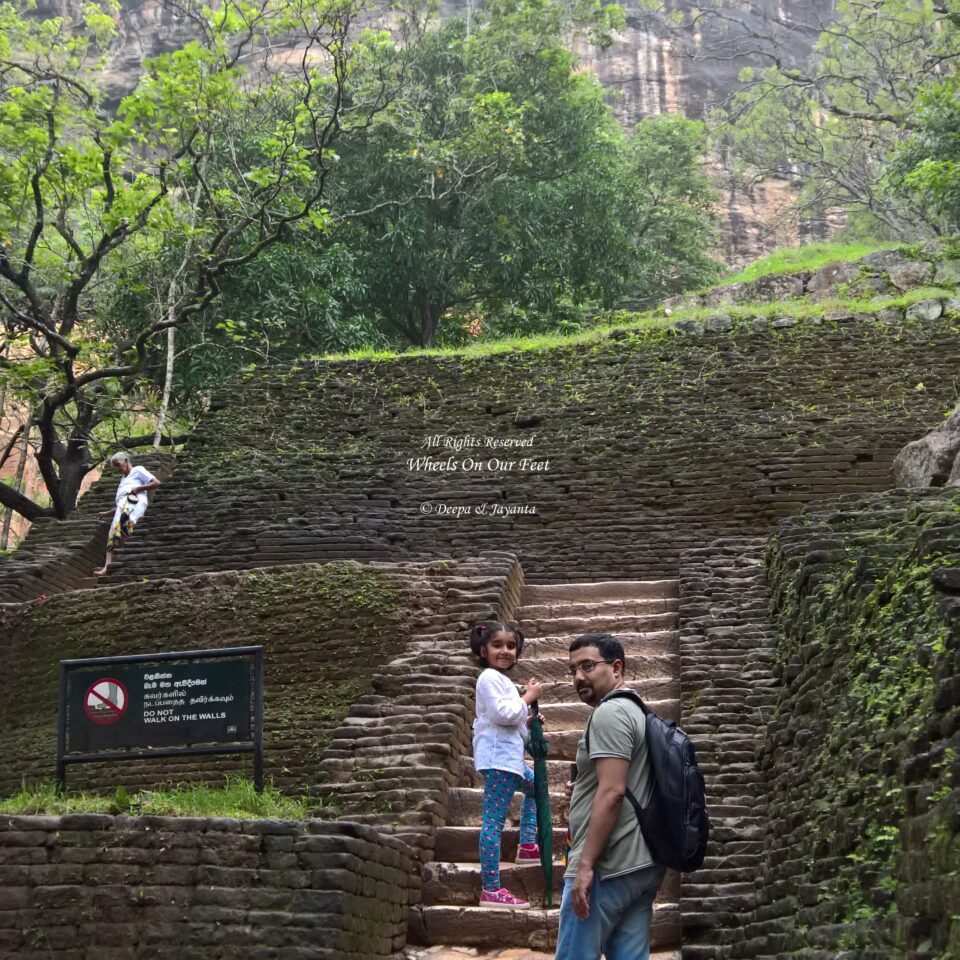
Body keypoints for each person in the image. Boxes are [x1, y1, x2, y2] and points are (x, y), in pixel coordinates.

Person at [555, 633, 666, 960]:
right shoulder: (637, 710)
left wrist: (586, 865)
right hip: (641, 864)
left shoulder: (609, 714)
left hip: (608, 863)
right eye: (573, 669)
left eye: (588, 665)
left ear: (616, 667)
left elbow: (613, 792)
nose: (578, 677)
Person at [470, 622, 543, 909]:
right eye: (497, 645)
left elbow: (513, 725)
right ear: (483, 650)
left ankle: (527, 846)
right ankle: (491, 888)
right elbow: (502, 714)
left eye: (511, 646)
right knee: (493, 822)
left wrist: (528, 719)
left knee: (537, 786)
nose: (505, 651)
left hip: (510, 759)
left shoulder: (504, 683)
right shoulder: (488, 677)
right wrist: (528, 698)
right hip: (499, 761)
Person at [93, 452, 161, 576]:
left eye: (119, 465)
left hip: (135, 502)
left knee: (125, 527)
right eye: (116, 467)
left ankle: (121, 560)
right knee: (113, 533)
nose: (118, 469)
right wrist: (106, 513)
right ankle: (107, 566)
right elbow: (121, 503)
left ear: (126, 460)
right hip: (124, 505)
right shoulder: (123, 479)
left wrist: (138, 489)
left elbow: (156, 482)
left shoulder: (138, 470)